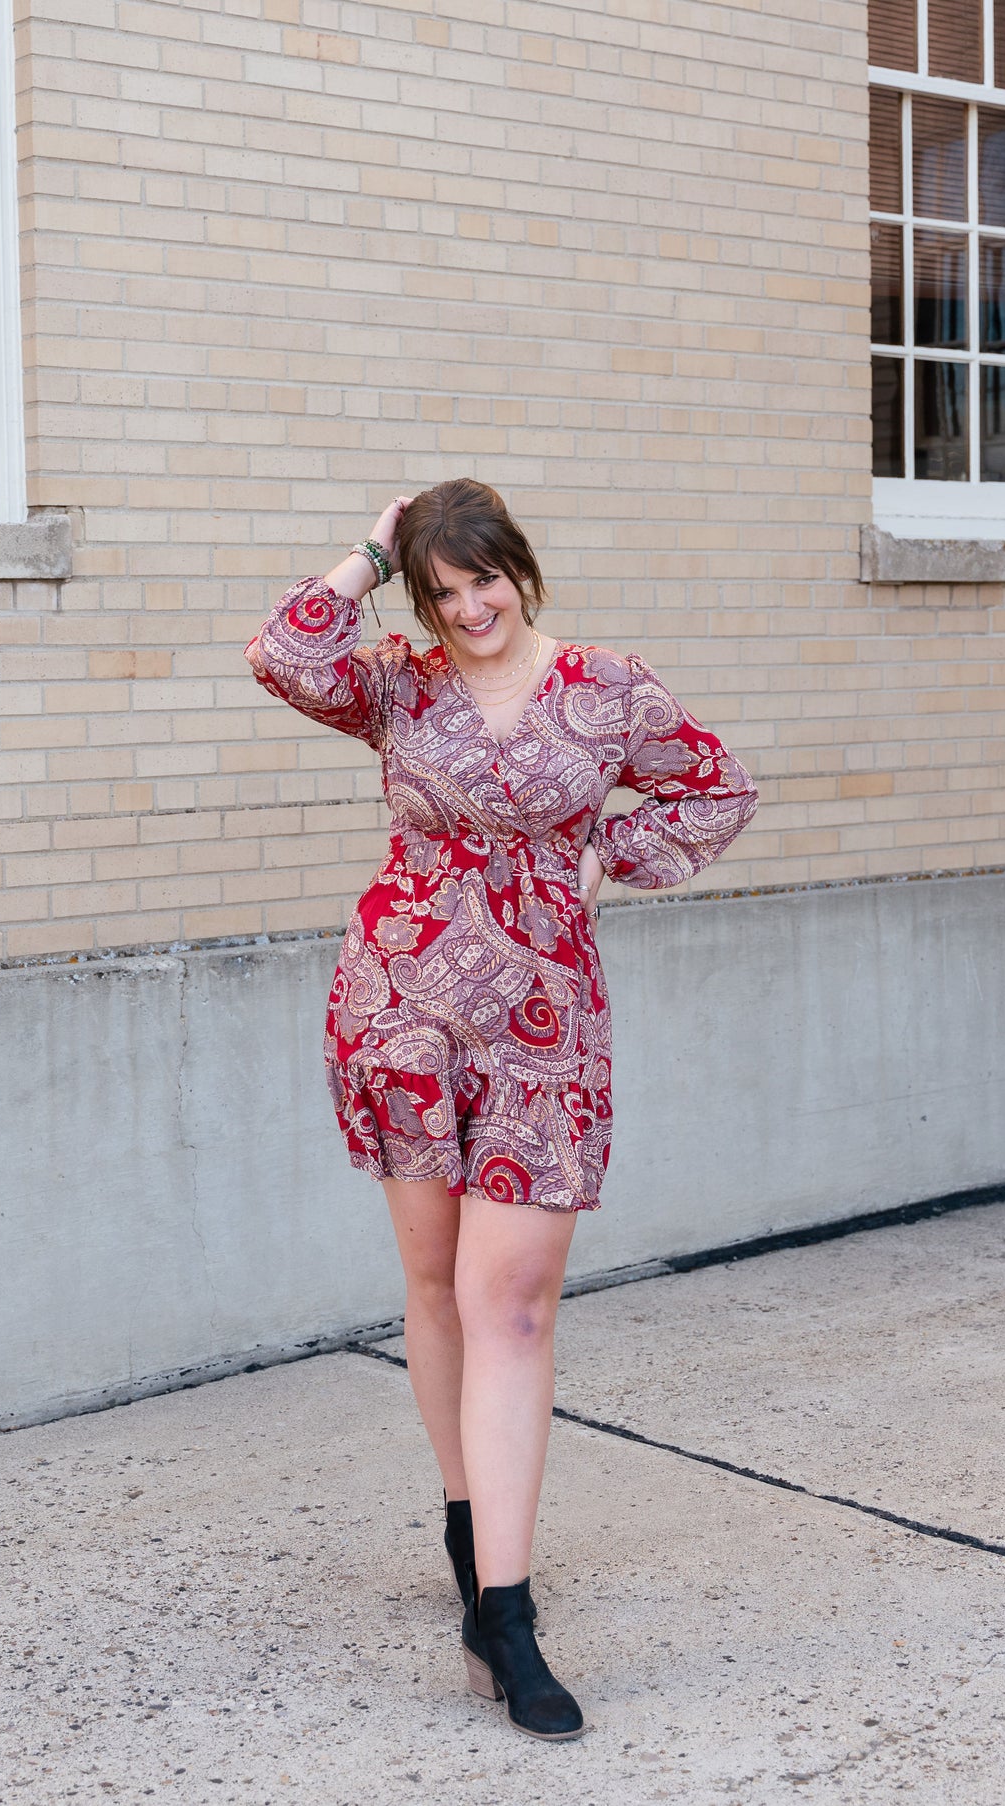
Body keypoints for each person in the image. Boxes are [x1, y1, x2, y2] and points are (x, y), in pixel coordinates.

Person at [244, 479, 758, 1741]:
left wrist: (607, 856)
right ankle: (468, 1529)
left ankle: (508, 1619)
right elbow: (281, 655)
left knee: (512, 1305)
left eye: (483, 580)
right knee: (435, 1290)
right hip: (401, 1014)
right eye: (443, 591)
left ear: (518, 570)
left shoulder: (606, 687)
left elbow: (716, 788)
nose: (470, 608)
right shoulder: (396, 685)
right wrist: (370, 553)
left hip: (542, 1027)